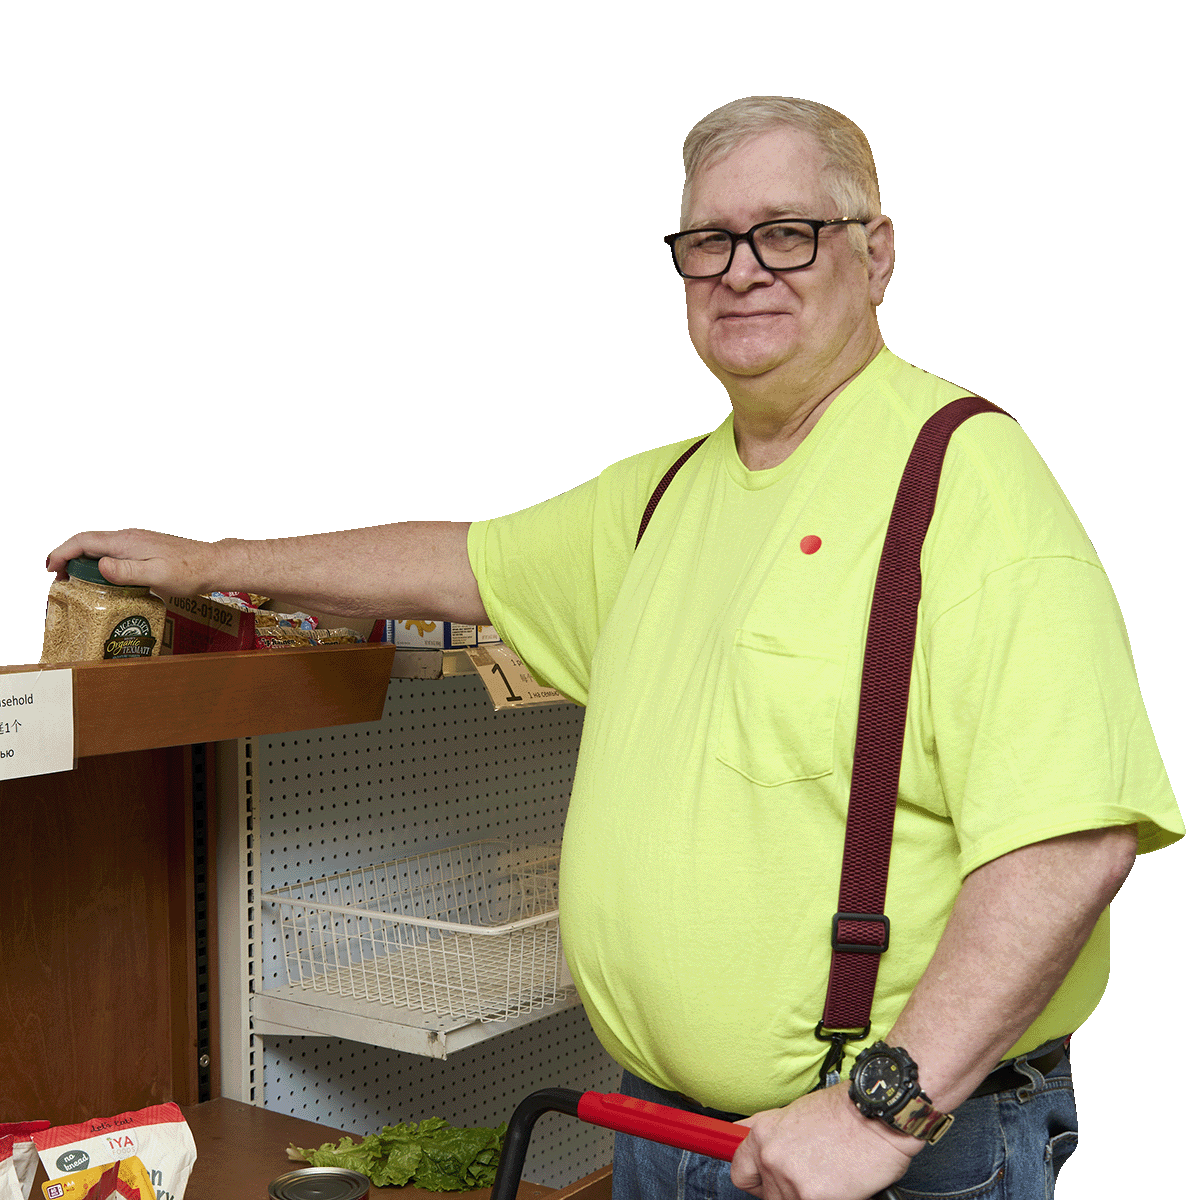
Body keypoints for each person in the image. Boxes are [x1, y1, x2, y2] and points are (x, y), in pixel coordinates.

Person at [49, 97, 1183, 1200]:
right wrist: (210, 558)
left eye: (787, 233)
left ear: (875, 256)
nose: (742, 269)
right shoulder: (665, 497)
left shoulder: (964, 481)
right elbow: (460, 561)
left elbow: (1069, 841)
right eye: (707, 241)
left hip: (875, 1153)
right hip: (659, 1130)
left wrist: (880, 1112)